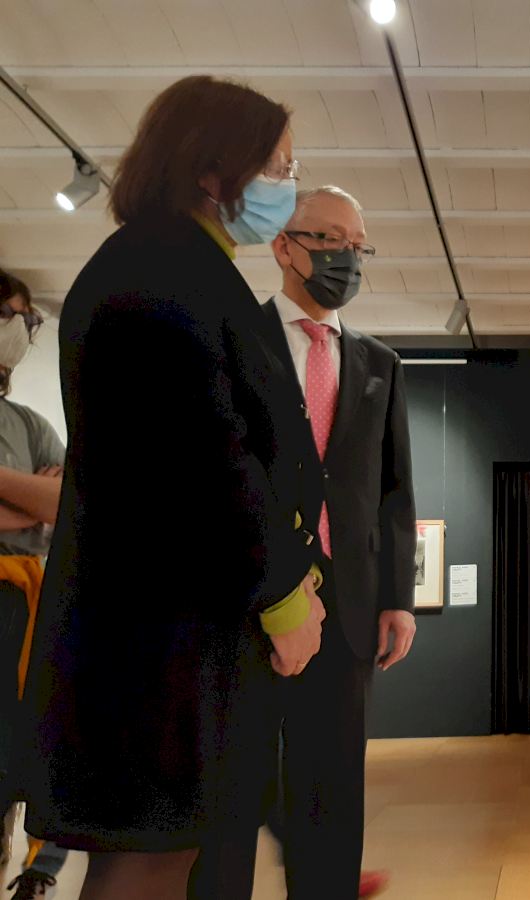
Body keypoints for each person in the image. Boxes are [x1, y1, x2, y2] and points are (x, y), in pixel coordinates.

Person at [19, 76, 328, 900]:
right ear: (211, 168)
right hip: (158, 643)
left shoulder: (174, 265)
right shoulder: (160, 273)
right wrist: (283, 594)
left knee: (169, 860)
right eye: (278, 166)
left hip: (169, 634)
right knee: (148, 865)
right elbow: (208, 462)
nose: (287, 183)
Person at [189, 186, 418, 900]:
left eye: (357, 243)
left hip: (348, 609)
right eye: (328, 239)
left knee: (332, 789)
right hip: (250, 601)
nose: (346, 256)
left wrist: (398, 599)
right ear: (283, 246)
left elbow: (393, 492)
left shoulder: (380, 364)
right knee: (234, 790)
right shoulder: (234, 339)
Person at [0, 272, 68, 900]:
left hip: (21, 606)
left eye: (28, 318)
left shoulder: (27, 422)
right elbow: (46, 503)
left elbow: (67, 504)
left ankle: (36, 872)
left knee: (22, 750)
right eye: (12, 315)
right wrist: (32, 501)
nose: (21, 330)